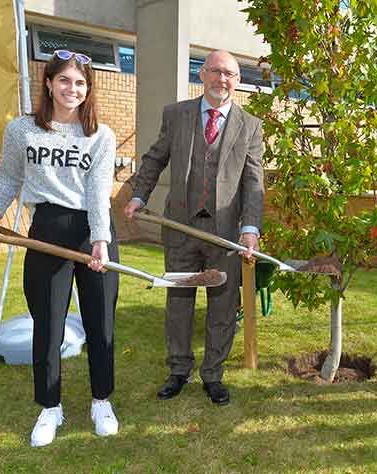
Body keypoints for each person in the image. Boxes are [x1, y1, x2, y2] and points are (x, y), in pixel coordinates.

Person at [0, 50, 119, 447]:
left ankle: (101, 401)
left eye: (80, 82)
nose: (72, 89)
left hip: (93, 229)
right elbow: (9, 175)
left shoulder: (100, 135)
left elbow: (98, 191)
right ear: (49, 83)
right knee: (49, 323)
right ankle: (50, 406)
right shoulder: (23, 130)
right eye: (65, 81)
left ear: (88, 89)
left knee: (100, 322)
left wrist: (100, 241)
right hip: (46, 230)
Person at [123, 50, 264, 406]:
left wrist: (250, 229)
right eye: (216, 71)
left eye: (230, 74)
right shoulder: (177, 114)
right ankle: (179, 370)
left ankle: (213, 375)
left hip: (225, 235)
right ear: (202, 74)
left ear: (238, 81)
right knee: (179, 302)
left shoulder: (250, 126)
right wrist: (139, 196)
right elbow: (155, 158)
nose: (223, 79)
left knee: (222, 306)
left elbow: (253, 181)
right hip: (180, 228)